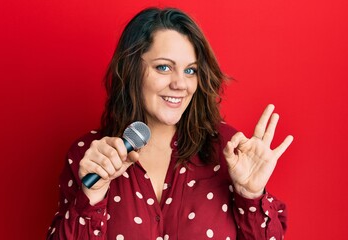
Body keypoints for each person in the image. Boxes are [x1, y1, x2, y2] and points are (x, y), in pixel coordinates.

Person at [46, 7, 293, 240]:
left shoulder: (228, 150)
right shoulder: (89, 155)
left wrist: (250, 196)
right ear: (132, 70)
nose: (180, 84)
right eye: (164, 67)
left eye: (190, 71)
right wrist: (92, 195)